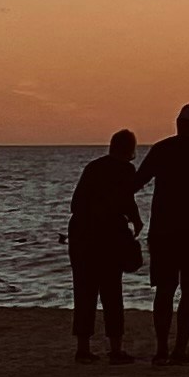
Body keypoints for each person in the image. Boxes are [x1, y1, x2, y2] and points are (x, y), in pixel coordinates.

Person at [135, 103, 189, 365]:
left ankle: (162, 349)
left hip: (164, 231)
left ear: (178, 123)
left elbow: (137, 182)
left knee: (164, 290)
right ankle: (179, 349)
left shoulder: (162, 149)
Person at [67, 130, 142, 362]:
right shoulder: (126, 170)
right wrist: (136, 221)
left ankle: (83, 348)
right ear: (129, 149)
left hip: (81, 234)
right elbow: (127, 200)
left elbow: (76, 203)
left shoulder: (93, 167)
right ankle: (116, 349)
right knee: (111, 291)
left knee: (84, 290)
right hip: (108, 235)